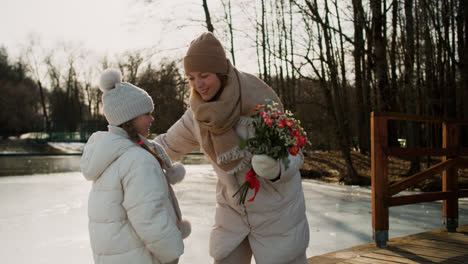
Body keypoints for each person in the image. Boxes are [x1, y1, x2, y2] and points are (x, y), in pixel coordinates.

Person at [155, 32, 309, 264]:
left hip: (277, 214)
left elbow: (295, 154)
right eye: (191, 77)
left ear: (221, 72)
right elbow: (166, 145)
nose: (198, 85)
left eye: (204, 76)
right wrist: (128, 149)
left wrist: (276, 167)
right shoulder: (197, 116)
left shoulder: (259, 103)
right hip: (234, 214)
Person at [80, 69, 190, 264]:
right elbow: (148, 216)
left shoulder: (108, 154)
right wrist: (172, 253)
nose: (152, 119)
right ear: (129, 118)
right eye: (146, 114)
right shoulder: (139, 160)